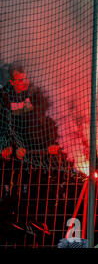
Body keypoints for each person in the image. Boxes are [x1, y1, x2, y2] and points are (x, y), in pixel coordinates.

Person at [0, 62, 59, 197]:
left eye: (26, 78)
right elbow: (6, 125)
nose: (24, 82)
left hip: (35, 150)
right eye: (20, 80)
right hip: (14, 150)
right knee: (9, 178)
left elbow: (47, 120)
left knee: (35, 186)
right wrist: (8, 145)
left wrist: (52, 142)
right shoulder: (4, 97)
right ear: (12, 82)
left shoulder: (35, 94)